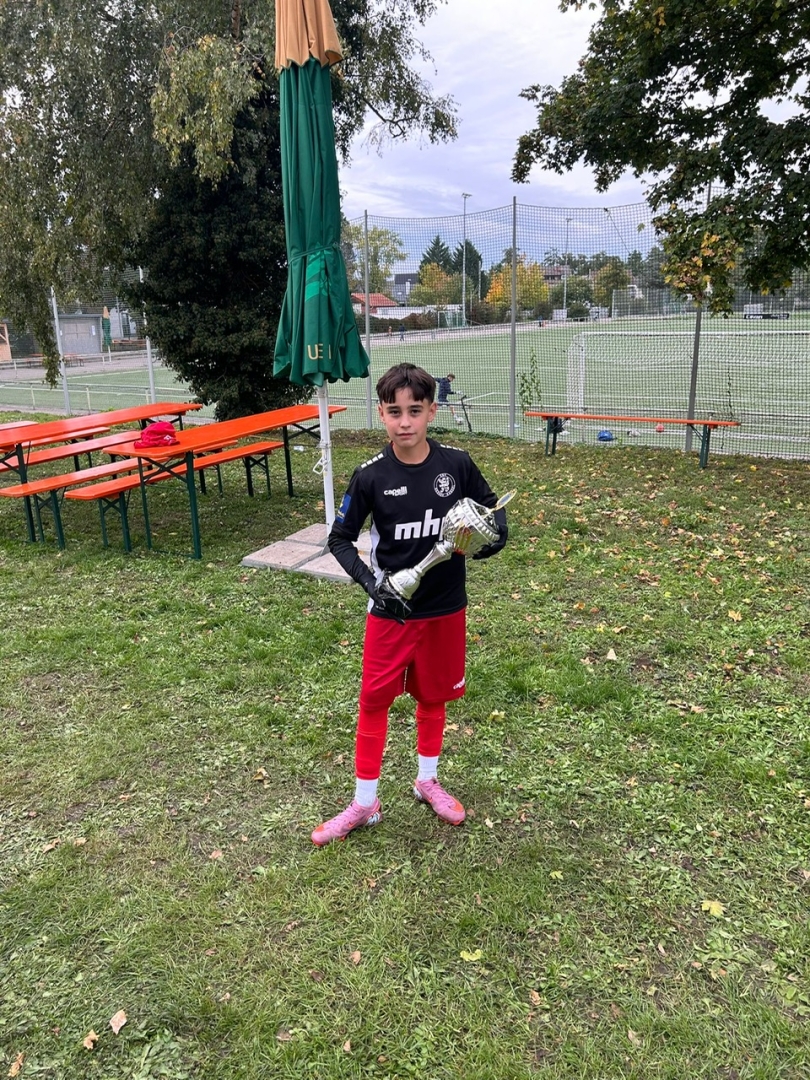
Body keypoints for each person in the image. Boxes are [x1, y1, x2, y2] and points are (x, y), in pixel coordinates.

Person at [312, 363, 508, 846]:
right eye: (394, 412)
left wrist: (492, 538)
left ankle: (427, 781)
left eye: (414, 411)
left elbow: (493, 511)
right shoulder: (370, 476)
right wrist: (371, 584)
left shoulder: (456, 465)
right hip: (392, 612)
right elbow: (339, 539)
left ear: (431, 412)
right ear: (381, 413)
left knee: (433, 697)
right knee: (373, 701)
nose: (405, 422)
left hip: (445, 608)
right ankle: (364, 802)